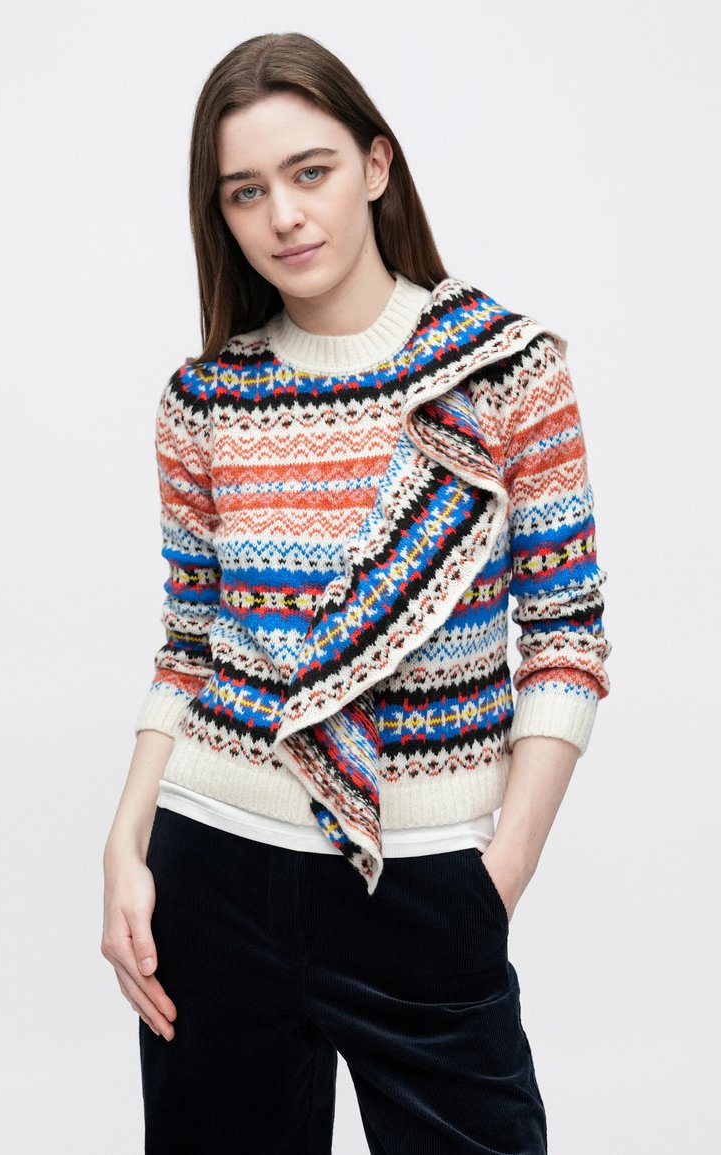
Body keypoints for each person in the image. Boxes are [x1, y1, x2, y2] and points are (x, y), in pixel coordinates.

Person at [101, 31, 611, 1155]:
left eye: (310, 171)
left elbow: (566, 639)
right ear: (221, 213)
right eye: (246, 191)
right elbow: (189, 642)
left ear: (376, 165)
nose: (283, 215)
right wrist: (122, 849)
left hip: (424, 886)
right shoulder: (205, 399)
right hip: (212, 869)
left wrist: (499, 873)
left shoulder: (505, 372)